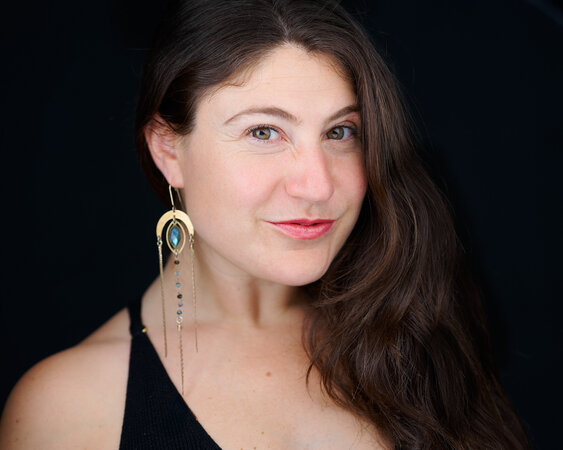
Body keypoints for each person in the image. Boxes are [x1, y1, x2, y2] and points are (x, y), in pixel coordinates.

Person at [0, 0, 529, 448]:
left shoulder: (420, 324)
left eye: (340, 132)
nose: (317, 185)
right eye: (263, 133)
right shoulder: (70, 407)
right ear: (168, 150)